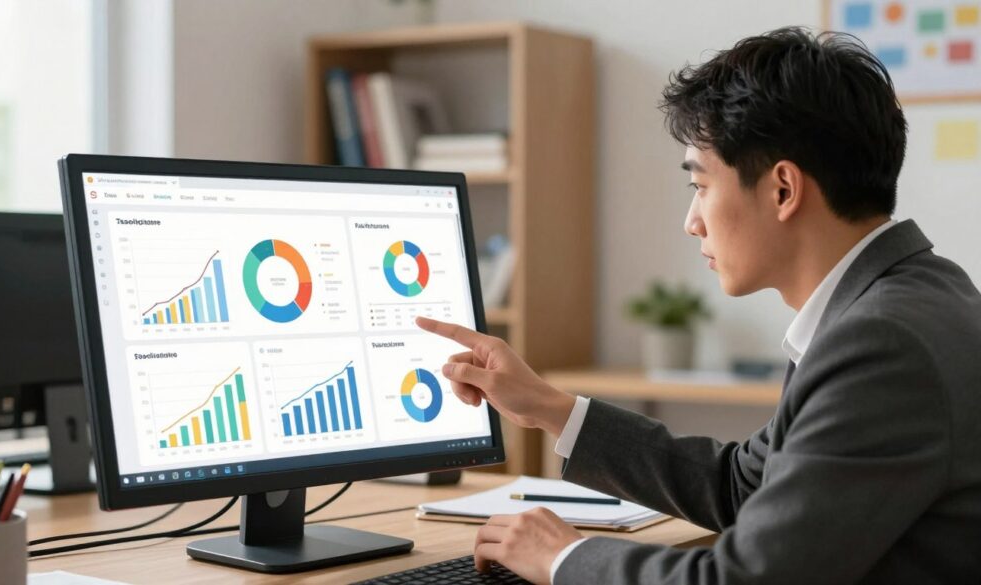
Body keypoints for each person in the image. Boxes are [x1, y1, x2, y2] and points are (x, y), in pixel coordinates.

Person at [416, 26, 981, 585]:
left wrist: (564, 557)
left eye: (701, 185)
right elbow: (744, 486)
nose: (692, 222)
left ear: (783, 189)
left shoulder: (881, 343)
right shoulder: (913, 295)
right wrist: (548, 408)